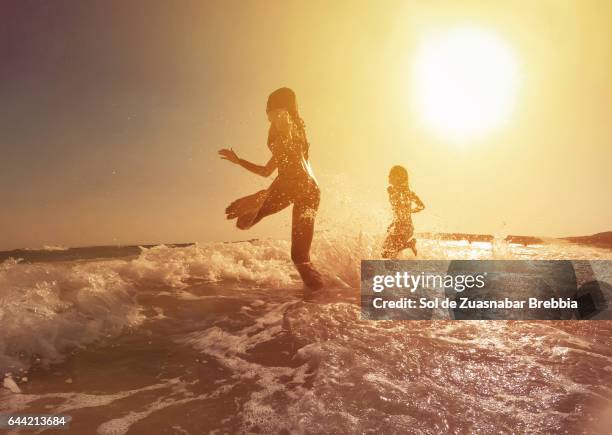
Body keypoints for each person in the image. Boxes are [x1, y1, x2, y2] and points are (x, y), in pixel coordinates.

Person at [218, 87, 324, 290]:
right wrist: (239, 161)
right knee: (300, 256)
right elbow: (267, 171)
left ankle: (262, 197)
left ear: (275, 106)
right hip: (308, 189)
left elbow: (286, 130)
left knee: (244, 223)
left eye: (268, 105)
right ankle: (317, 295)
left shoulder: (283, 121)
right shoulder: (296, 130)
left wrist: (282, 118)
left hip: (295, 184)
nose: (266, 111)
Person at [381, 165, 425, 258]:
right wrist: (393, 223)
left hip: (405, 228)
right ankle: (409, 246)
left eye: (391, 174)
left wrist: (409, 211)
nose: (388, 176)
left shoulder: (406, 192)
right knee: (386, 253)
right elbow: (398, 211)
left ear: (398, 177)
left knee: (387, 253)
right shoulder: (392, 191)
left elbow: (421, 206)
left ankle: (410, 244)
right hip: (399, 227)